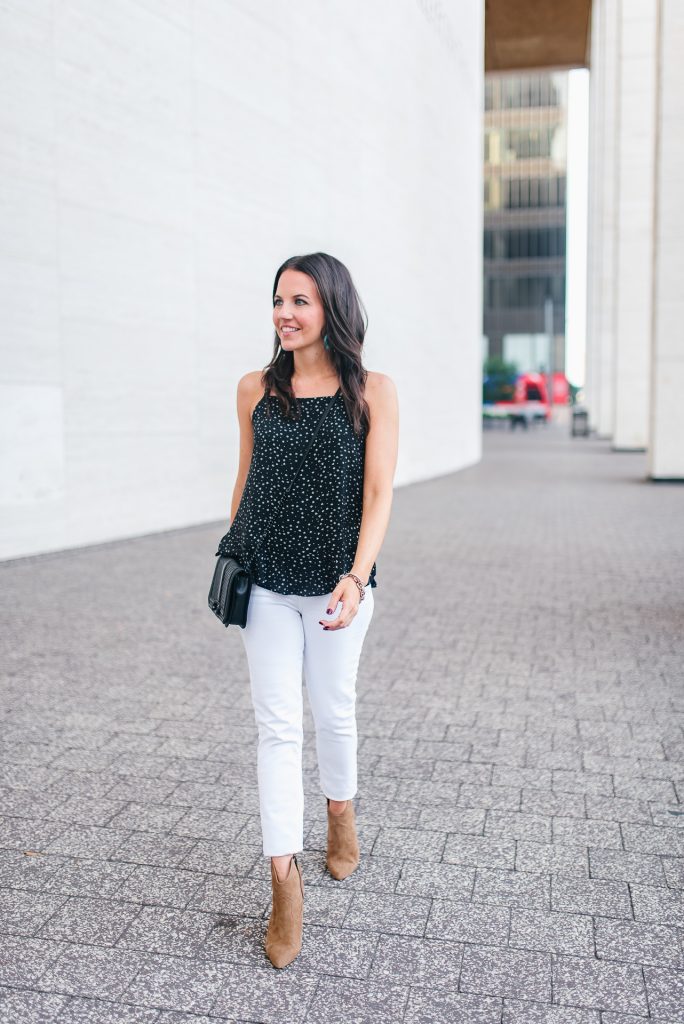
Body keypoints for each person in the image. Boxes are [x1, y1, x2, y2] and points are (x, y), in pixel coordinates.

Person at [216, 252, 399, 969]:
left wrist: (357, 578)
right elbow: (245, 480)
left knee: (333, 710)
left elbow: (380, 495)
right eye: (278, 299)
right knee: (276, 728)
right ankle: (283, 885)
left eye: (301, 300)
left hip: (337, 587)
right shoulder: (254, 389)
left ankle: (340, 814)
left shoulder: (374, 392)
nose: (285, 313)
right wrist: (230, 558)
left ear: (333, 309)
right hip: (265, 581)